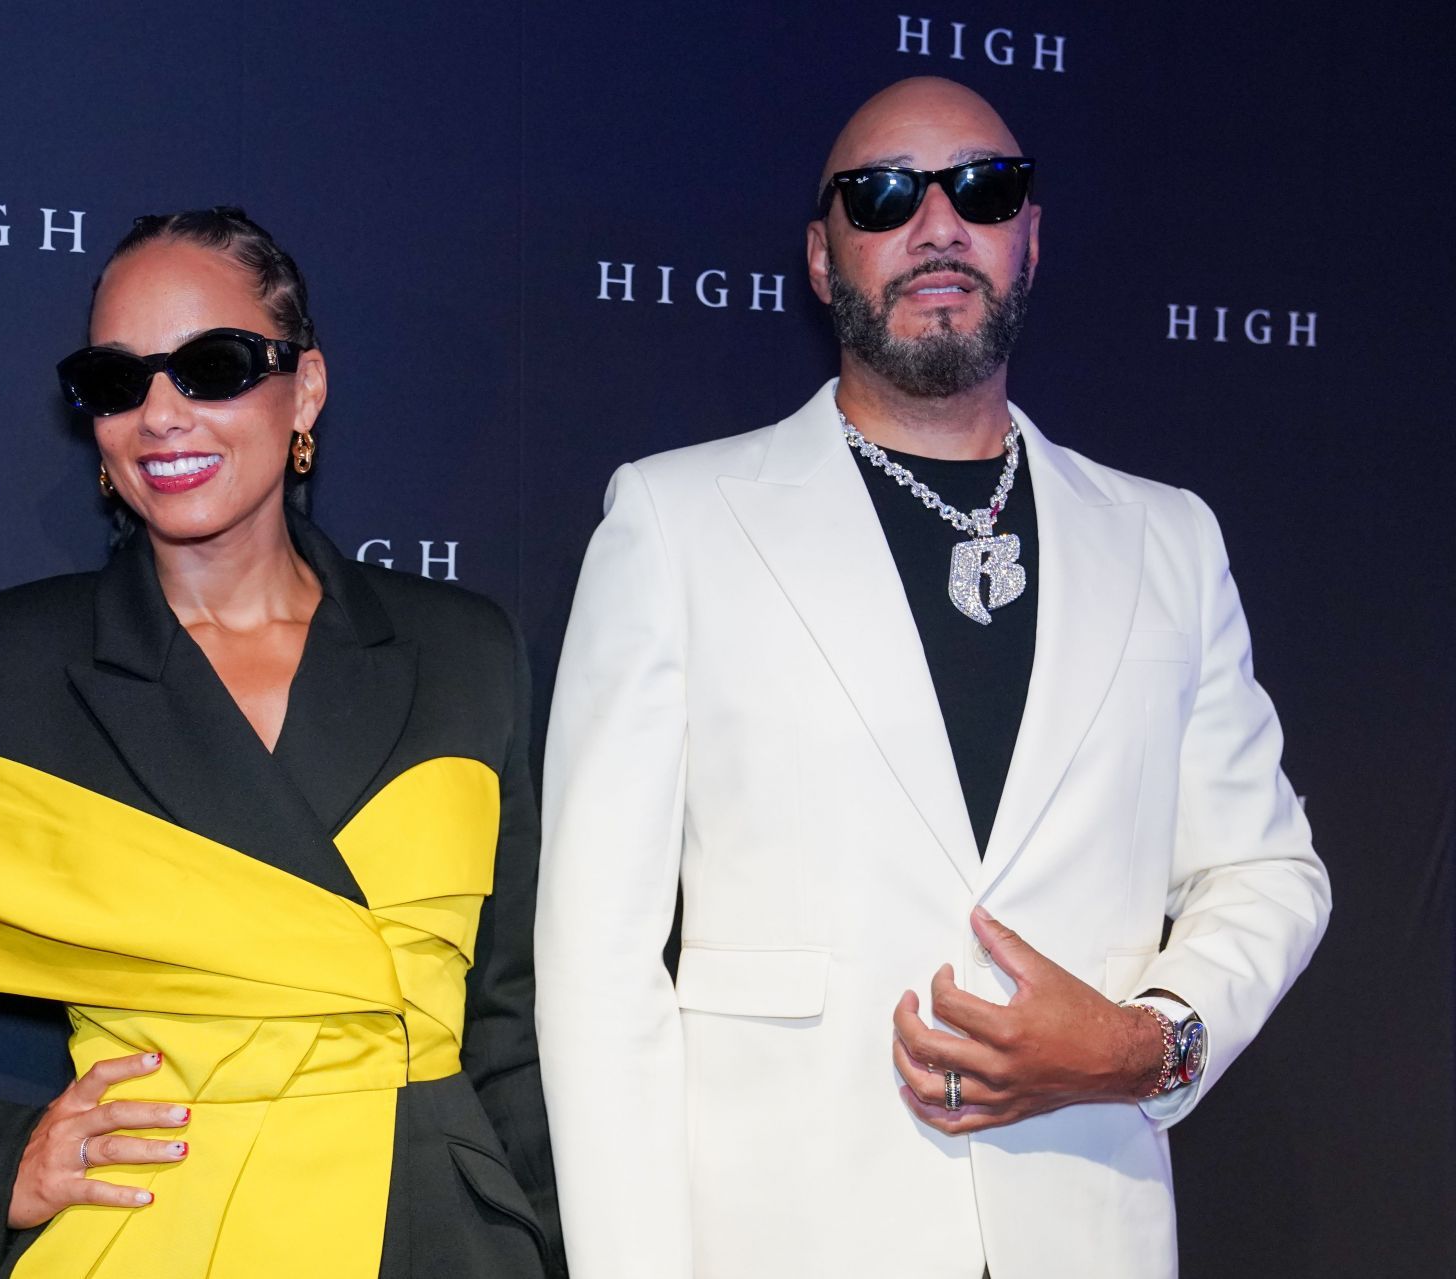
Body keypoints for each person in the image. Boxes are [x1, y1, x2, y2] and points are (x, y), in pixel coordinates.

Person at [534, 77, 1328, 1279]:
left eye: (985, 188)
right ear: (821, 254)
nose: (939, 223)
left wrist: (1145, 1043)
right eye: (885, 195)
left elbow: (1266, 867)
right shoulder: (673, 522)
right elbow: (597, 967)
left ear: (1031, 238)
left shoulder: (1169, 539)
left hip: (1084, 1232)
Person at [0, 207, 562, 1279]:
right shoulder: (2, 664)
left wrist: (548, 1238)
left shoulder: (463, 649)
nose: (161, 415)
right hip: (161, 1233)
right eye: (115, 381)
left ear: (304, 386)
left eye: (213, 367)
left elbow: (510, 1020)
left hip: (442, 1236)